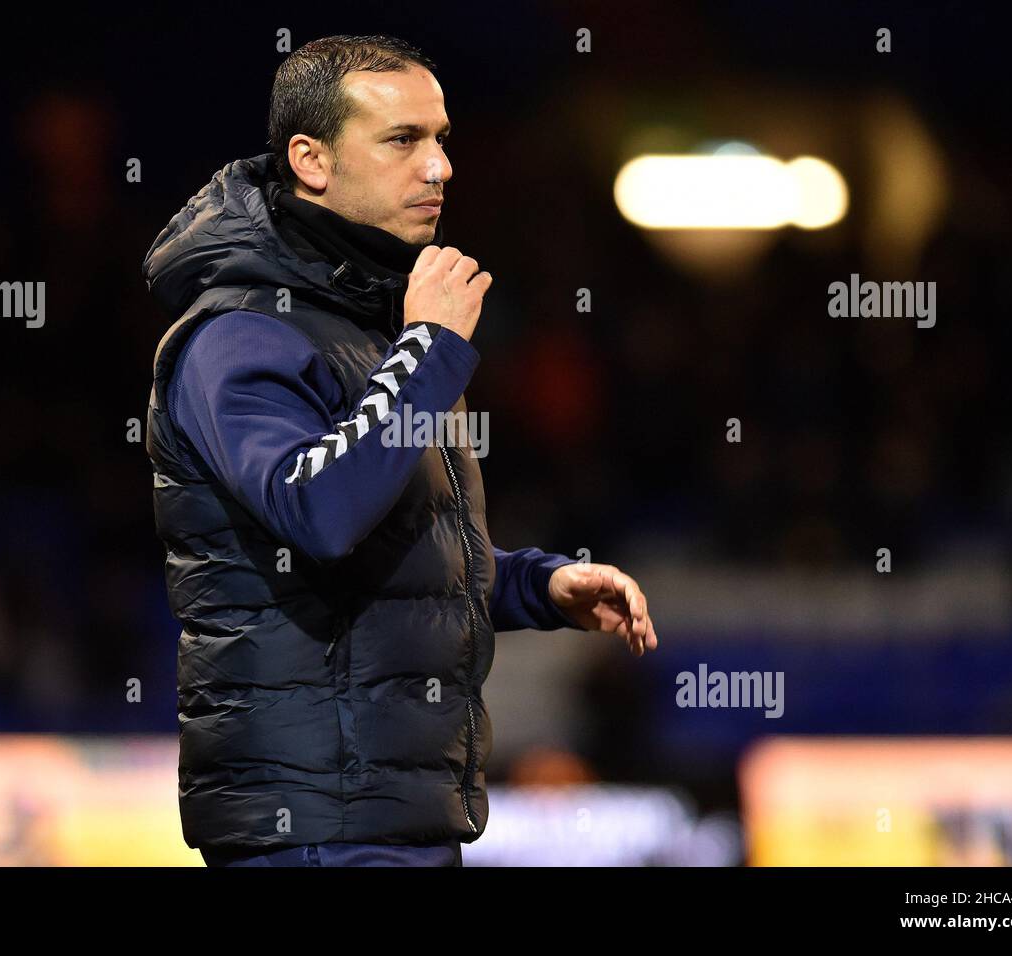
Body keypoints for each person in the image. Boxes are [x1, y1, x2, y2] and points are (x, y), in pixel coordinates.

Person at [141, 34, 656, 868]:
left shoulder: (374, 324)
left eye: (442, 137)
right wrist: (426, 353)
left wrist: (532, 583)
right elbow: (319, 514)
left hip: (393, 818)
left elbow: (388, 551)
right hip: (310, 827)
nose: (440, 166)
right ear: (310, 159)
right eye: (402, 139)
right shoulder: (239, 333)